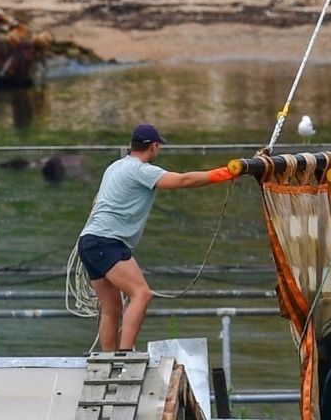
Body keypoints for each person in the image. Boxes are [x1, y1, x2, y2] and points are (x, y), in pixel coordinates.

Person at [78, 123, 234, 352]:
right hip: (107, 242)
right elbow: (184, 180)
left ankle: (107, 360)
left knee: (111, 309)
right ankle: (124, 355)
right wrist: (226, 173)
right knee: (141, 294)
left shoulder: (114, 167)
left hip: (89, 241)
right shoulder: (141, 171)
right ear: (154, 146)